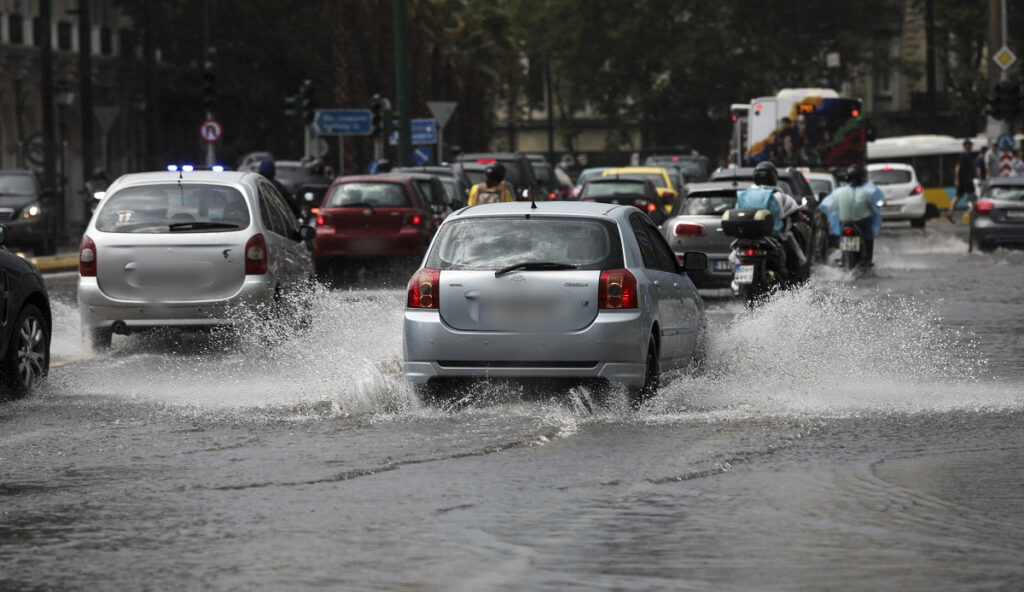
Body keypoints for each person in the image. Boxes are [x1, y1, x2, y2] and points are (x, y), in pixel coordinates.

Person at [736, 161, 808, 280]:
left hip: (746, 238)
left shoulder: (743, 194)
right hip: (773, 237)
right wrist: (804, 218)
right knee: (794, 246)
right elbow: (796, 212)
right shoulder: (779, 196)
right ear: (774, 177)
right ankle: (795, 280)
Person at [823, 164, 882, 265]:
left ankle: (843, 256)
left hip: (845, 222)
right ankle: (867, 259)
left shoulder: (840, 191)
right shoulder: (865, 192)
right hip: (861, 222)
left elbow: (830, 206)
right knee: (869, 235)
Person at [949, 139, 975, 223]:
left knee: (959, 197)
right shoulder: (963, 156)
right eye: (969, 146)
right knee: (972, 196)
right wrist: (956, 179)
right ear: (966, 146)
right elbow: (957, 168)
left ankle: (950, 213)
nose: (971, 148)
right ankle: (973, 212)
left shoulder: (968, 156)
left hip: (966, 179)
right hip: (964, 180)